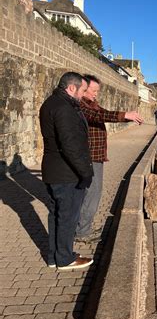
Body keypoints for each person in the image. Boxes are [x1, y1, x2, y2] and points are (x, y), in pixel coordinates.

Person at [76, 74, 143, 243]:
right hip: (90, 156)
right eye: (93, 90)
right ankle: (82, 232)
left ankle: (85, 227)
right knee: (92, 194)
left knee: (92, 194)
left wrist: (125, 116)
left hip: (96, 155)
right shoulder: (80, 105)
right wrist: (124, 115)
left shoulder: (92, 104)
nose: (95, 94)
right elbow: (97, 116)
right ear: (83, 89)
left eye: (97, 91)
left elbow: (104, 113)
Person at [39, 72, 94, 270]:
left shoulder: (51, 103)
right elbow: (70, 145)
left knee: (57, 214)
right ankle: (64, 258)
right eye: (82, 90)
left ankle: (54, 256)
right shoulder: (64, 108)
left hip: (54, 171)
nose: (83, 94)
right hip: (66, 173)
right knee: (68, 216)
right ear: (71, 88)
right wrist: (85, 173)